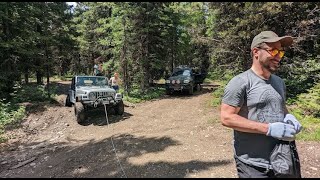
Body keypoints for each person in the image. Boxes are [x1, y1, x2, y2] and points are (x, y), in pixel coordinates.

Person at [220, 31, 303, 178]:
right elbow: (227, 118)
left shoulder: (279, 82)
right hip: (253, 164)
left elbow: (280, 106)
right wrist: (268, 128)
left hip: (282, 160)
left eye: (281, 52)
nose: (279, 56)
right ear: (256, 52)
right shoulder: (240, 82)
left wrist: (289, 116)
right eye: (273, 50)